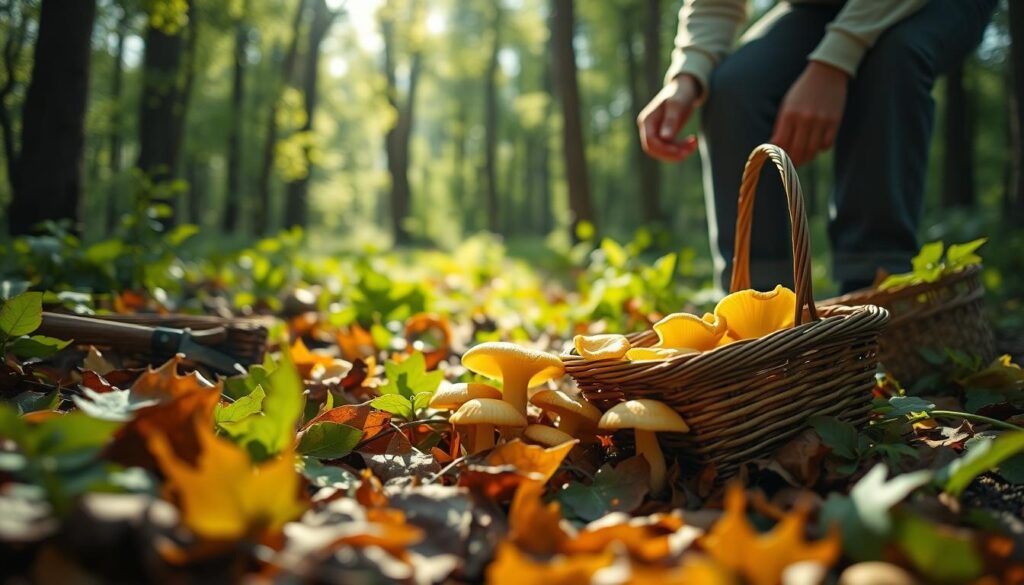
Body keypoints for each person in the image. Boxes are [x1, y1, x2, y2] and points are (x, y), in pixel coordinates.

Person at [637, 0, 997, 294]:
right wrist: (688, 74)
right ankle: (760, 301)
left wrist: (834, 62)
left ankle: (875, 287)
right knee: (734, 88)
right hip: (817, 9)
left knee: (891, 57)